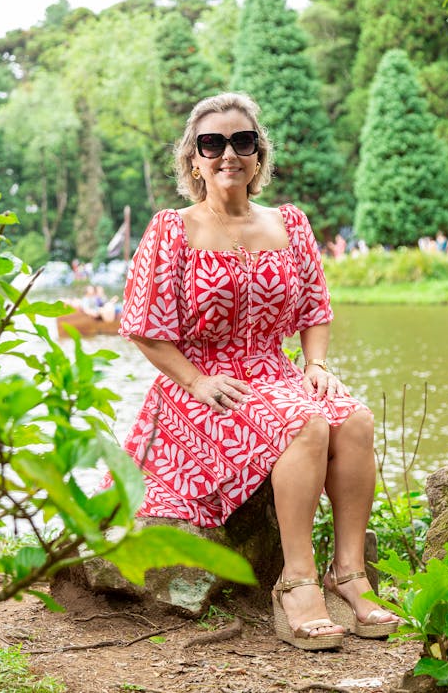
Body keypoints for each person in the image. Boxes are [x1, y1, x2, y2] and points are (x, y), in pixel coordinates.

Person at [105, 92, 398, 650]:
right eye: (211, 144)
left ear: (258, 154)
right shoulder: (172, 230)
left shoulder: (290, 223)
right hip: (203, 386)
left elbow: (315, 309)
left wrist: (315, 365)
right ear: (193, 159)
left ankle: (351, 573)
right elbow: (143, 326)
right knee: (305, 425)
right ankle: (297, 581)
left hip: (278, 372)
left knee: (354, 419)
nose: (227, 155)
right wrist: (197, 380)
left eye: (242, 141)